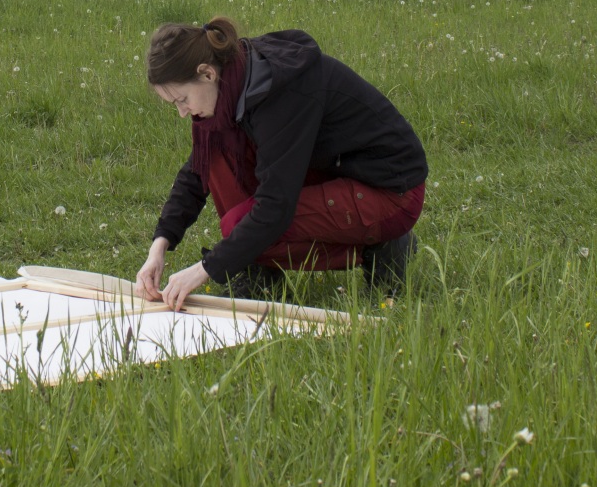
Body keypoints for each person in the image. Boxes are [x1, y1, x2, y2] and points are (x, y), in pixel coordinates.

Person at [135, 17, 429, 310]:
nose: (182, 112)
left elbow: (275, 207)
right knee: (216, 154)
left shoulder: (278, 93)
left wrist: (206, 269)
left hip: (390, 193)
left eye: (182, 99)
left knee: (240, 224)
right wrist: (159, 246)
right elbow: (198, 170)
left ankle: (384, 246)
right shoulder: (235, 81)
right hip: (336, 171)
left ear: (207, 73)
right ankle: (260, 274)